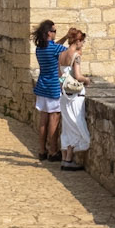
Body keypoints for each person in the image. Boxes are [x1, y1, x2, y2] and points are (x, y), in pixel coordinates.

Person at [33, 19, 67, 160]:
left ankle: (42, 150)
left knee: (43, 120)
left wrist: (64, 37)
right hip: (54, 87)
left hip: (42, 86)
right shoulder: (54, 49)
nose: (55, 34)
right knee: (54, 118)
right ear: (49, 33)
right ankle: (53, 151)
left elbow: (54, 46)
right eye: (54, 31)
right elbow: (69, 51)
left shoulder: (39, 49)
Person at [58, 28, 89, 169]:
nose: (82, 44)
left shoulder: (61, 54)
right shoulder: (75, 55)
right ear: (77, 41)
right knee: (76, 123)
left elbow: (61, 76)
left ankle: (65, 158)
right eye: (82, 41)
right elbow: (77, 76)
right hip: (75, 95)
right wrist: (87, 80)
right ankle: (69, 158)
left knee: (67, 125)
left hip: (64, 95)